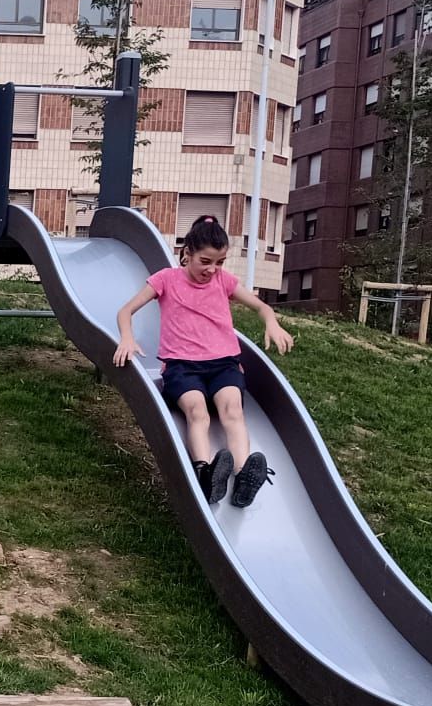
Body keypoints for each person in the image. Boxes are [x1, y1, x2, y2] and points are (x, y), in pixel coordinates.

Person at [110, 216, 294, 508]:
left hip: (224, 365)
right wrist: (127, 338)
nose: (212, 269)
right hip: (183, 368)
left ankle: (244, 475)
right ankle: (204, 473)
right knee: (198, 412)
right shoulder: (165, 279)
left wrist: (271, 323)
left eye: (219, 262)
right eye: (205, 261)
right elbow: (125, 311)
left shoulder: (224, 282)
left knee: (232, 410)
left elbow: (260, 306)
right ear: (187, 254)